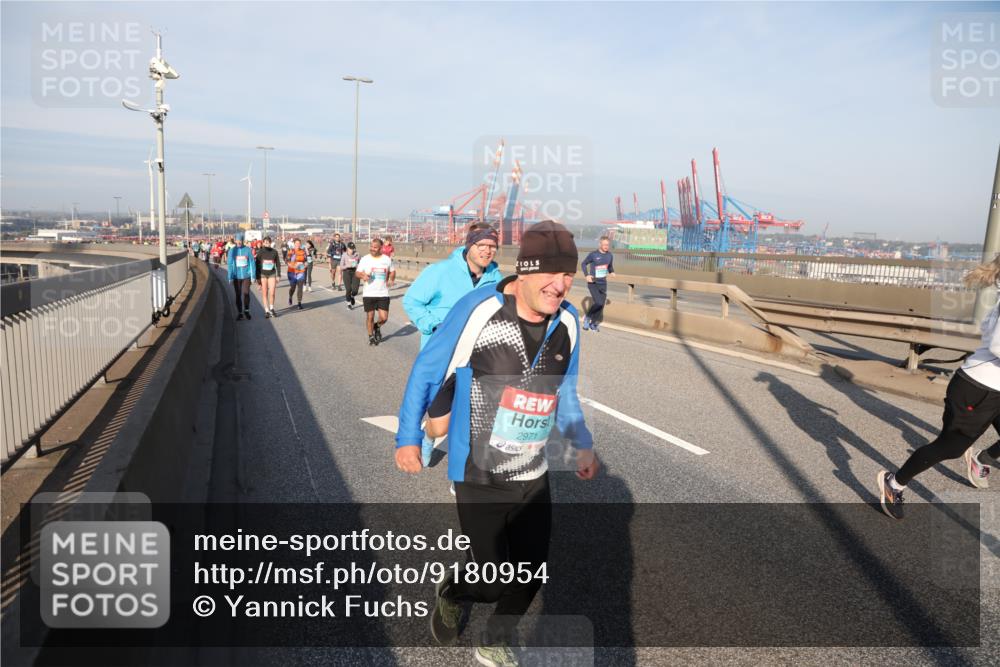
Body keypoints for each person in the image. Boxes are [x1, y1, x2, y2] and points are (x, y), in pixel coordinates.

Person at [395, 221, 598, 664]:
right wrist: (409, 436)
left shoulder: (568, 322)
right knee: (490, 580)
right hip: (478, 471)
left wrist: (581, 442)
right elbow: (428, 371)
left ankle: (495, 639)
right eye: (550, 274)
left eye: (568, 275)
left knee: (529, 575)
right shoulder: (480, 309)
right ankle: (453, 588)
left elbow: (564, 389)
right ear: (523, 272)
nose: (560, 285)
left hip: (532, 471)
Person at [878, 255, 1000, 519]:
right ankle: (894, 482)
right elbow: (997, 346)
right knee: (951, 447)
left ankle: (982, 460)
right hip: (978, 388)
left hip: (994, 389)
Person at [403, 223, 504, 466]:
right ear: (470, 245)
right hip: (443, 359)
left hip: (478, 360)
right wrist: (435, 326)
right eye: (482, 245)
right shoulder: (441, 271)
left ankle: (464, 478)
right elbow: (412, 301)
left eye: (493, 247)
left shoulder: (495, 278)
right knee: (441, 427)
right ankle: (430, 436)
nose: (487, 251)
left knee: (475, 422)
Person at [356, 238, 395, 345]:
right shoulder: (365, 259)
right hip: (369, 293)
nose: (372, 249)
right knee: (370, 316)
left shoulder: (386, 259)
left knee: (384, 318)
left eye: (375, 247)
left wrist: (391, 279)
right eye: (371, 246)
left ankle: (376, 327)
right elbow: (357, 273)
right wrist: (363, 275)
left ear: (380, 248)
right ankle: (371, 336)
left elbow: (392, 271)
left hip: (383, 293)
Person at [580, 236, 615, 331]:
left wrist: (612, 272)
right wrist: (586, 275)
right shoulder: (593, 254)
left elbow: (610, 267)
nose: (606, 246)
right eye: (604, 244)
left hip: (603, 283)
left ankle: (593, 323)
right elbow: (583, 264)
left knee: (601, 305)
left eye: (607, 245)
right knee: (598, 302)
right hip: (593, 283)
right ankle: (587, 317)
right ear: (600, 244)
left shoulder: (610, 255)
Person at [227, 235, 256, 320]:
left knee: (246, 293)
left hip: (246, 275)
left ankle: (246, 310)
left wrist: (253, 276)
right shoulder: (232, 251)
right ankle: (240, 313)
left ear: (243, 241)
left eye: (240, 240)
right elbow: (230, 265)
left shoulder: (247, 250)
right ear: (235, 241)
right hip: (236, 276)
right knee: (238, 295)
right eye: (237, 240)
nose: (239, 242)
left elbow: (252, 263)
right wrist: (230, 277)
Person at [256, 236, 281, 319]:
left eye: (268, 242)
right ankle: (266, 310)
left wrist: (279, 275)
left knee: (272, 292)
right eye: (265, 242)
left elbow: (278, 264)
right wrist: (257, 277)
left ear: (270, 243)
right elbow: (257, 265)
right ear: (263, 243)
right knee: (264, 292)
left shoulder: (274, 252)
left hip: (272, 274)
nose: (267, 244)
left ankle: (272, 308)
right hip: (263, 274)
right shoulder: (260, 252)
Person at [286, 238, 309, 310]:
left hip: (301, 271)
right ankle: (290, 296)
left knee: (300, 288)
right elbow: (287, 261)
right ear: (294, 244)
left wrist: (305, 265)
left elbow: (305, 261)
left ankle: (299, 303)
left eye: (299, 243)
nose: (298, 245)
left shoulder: (303, 252)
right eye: (296, 243)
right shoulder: (291, 251)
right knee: (293, 287)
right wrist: (292, 266)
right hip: (292, 272)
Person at [340, 242, 360, 309]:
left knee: (355, 290)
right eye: (351, 249)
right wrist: (347, 266)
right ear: (348, 248)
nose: (352, 250)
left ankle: (352, 296)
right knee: (348, 289)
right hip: (347, 272)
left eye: (353, 249)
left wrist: (357, 265)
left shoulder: (357, 254)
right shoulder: (344, 255)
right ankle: (348, 304)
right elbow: (341, 266)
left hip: (355, 272)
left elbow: (361, 263)